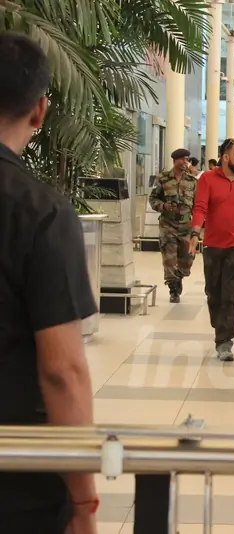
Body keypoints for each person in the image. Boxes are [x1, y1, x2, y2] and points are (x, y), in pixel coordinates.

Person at [0, 32, 98, 533]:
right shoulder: (40, 212)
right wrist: (83, 498)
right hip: (15, 473)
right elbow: (61, 371)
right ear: (40, 110)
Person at [189, 138, 234, 361]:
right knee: (213, 292)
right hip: (212, 245)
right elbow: (200, 207)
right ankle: (219, 323)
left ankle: (224, 341)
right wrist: (194, 234)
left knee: (231, 294)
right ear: (226, 157)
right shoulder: (208, 180)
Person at [149, 148, 198, 303]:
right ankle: (173, 289)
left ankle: (179, 277)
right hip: (167, 225)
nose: (185, 162)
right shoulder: (163, 178)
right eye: (182, 159)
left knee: (187, 260)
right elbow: (153, 199)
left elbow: (198, 206)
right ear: (174, 161)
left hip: (186, 226)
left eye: (187, 159)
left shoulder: (192, 181)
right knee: (169, 260)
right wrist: (163, 206)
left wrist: (198, 228)